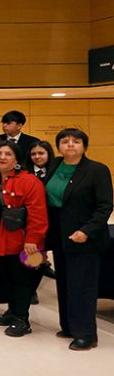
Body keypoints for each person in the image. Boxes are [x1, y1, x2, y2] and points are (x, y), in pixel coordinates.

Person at [46, 129, 114, 351]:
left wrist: (87, 231)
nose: (70, 145)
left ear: (84, 145)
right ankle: (68, 326)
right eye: (65, 141)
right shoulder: (55, 166)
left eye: (76, 141)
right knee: (64, 282)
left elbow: (105, 206)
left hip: (84, 237)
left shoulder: (96, 170)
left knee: (82, 287)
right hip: (58, 234)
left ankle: (86, 334)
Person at [0, 141, 48, 337]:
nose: (2, 157)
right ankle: (12, 311)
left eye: (8, 154)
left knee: (23, 280)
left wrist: (33, 240)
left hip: (25, 243)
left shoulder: (30, 181)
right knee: (7, 277)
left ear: (17, 159)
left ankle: (22, 319)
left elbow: (38, 214)